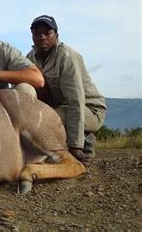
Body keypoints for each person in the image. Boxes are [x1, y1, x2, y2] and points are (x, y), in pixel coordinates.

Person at [26, 15, 106, 162]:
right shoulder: (31, 57)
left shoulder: (67, 57)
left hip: (89, 110)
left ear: (56, 35)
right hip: (61, 107)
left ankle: (84, 140)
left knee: (46, 119)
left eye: (47, 33)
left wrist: (76, 146)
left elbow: (77, 101)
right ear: (32, 36)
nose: (42, 37)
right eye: (37, 33)